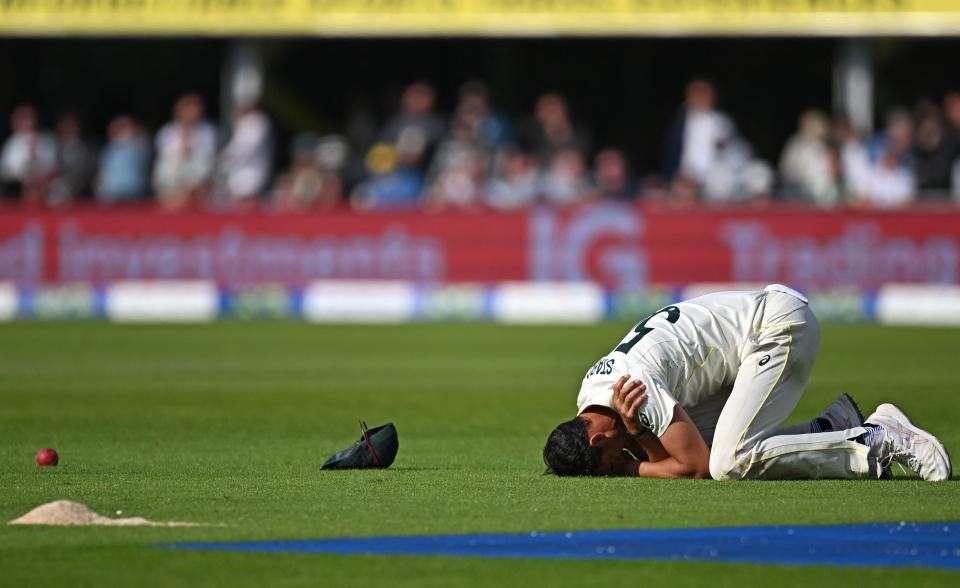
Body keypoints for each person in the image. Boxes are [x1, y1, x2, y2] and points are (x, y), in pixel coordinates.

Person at [543, 285, 952, 481]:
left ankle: (877, 440)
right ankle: (828, 428)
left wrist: (631, 466)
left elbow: (694, 468)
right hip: (751, 339)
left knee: (729, 462)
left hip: (776, 328)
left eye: (609, 461)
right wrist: (634, 436)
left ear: (596, 439)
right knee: (707, 444)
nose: (617, 462)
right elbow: (670, 454)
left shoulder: (635, 390)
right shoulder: (590, 393)